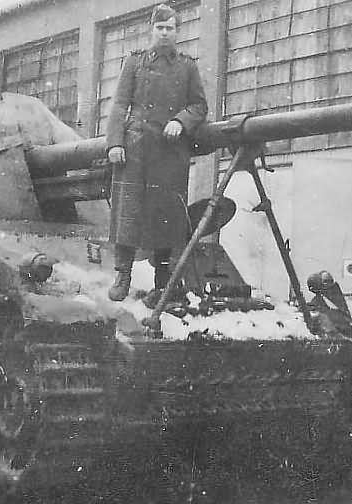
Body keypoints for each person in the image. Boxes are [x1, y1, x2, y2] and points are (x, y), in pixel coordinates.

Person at [104, 3, 208, 301]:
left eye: (170, 28)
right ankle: (123, 276)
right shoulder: (134, 63)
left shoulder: (187, 66)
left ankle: (163, 283)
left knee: (166, 218)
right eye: (160, 28)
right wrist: (115, 143)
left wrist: (180, 120)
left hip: (168, 153)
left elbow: (199, 105)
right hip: (135, 150)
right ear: (152, 31)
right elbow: (120, 105)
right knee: (128, 214)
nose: (164, 33)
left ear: (178, 32)